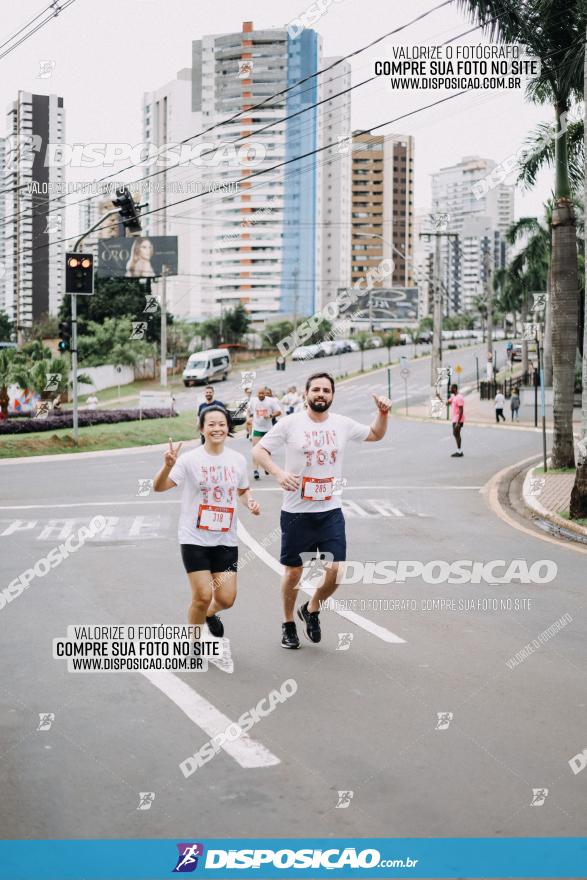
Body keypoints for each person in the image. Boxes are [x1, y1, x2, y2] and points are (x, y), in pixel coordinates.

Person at [252, 371, 391, 649]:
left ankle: (312, 608)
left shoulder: (342, 424)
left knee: (337, 570)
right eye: (316, 389)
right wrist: (278, 473)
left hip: (330, 510)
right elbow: (258, 451)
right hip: (296, 513)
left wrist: (383, 413)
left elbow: (375, 434)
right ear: (306, 394)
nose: (320, 394)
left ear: (332, 396)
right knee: (294, 573)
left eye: (326, 391)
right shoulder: (291, 424)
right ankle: (288, 623)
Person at [153, 407, 260, 639]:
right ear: (202, 428)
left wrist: (250, 502)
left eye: (221, 424)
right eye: (211, 424)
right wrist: (168, 465)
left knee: (226, 599)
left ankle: (210, 614)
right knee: (202, 595)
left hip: (225, 539)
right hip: (194, 538)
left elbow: (243, 491)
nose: (217, 428)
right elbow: (159, 487)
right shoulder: (190, 460)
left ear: (228, 428)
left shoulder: (238, 460)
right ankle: (194, 639)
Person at [248, 386, 282, 480]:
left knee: (267, 450)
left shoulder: (270, 401)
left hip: (268, 429)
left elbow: (279, 412)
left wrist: (271, 415)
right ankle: (255, 470)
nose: (261, 395)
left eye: (263, 393)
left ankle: (267, 466)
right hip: (257, 428)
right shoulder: (253, 401)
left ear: (265, 394)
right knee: (255, 450)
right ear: (257, 394)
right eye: (260, 393)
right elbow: (248, 410)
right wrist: (248, 417)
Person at [437, 383, 464, 457]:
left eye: (450, 388)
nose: (449, 390)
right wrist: (439, 397)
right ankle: (459, 451)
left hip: (458, 420)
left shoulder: (459, 397)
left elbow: (461, 410)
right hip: (455, 419)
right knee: (456, 434)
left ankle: (459, 452)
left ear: (454, 389)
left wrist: (458, 423)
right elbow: (446, 403)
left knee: (456, 434)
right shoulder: (453, 397)